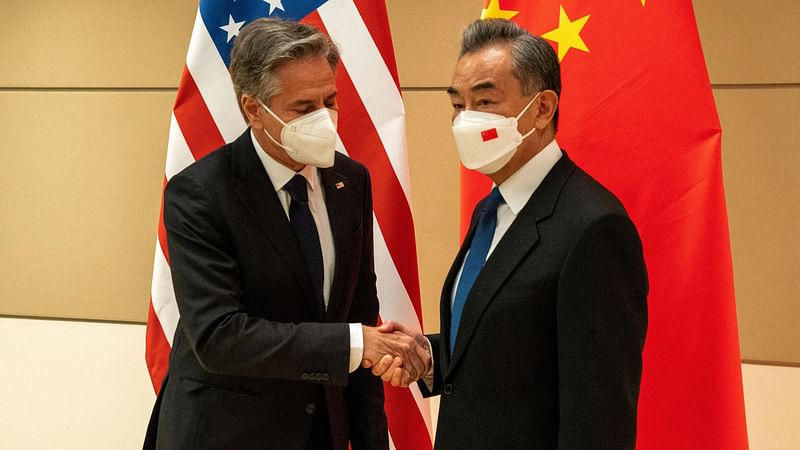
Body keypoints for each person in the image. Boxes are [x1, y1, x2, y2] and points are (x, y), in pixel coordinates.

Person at [143, 18, 429, 450]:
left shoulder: (349, 181)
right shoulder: (201, 192)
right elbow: (220, 336)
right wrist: (355, 342)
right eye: (303, 107)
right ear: (254, 108)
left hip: (320, 432)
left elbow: (359, 312)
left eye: (330, 100)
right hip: (227, 433)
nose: (324, 118)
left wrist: (371, 440)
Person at [373, 19, 648, 449]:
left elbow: (599, 416)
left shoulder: (593, 228)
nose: (466, 120)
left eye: (484, 100)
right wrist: (431, 359)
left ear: (542, 108)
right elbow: (513, 347)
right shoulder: (492, 207)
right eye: (458, 104)